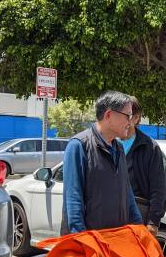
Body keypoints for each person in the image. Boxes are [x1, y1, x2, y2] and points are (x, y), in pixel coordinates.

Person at [61, 90, 143, 234]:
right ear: (109, 115)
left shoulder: (118, 148)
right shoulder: (79, 146)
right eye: (127, 116)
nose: (130, 122)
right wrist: (84, 243)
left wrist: (139, 229)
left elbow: (127, 194)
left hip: (116, 242)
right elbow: (73, 202)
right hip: (90, 247)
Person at [118, 95, 166, 237]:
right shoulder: (107, 142)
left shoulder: (149, 147)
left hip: (138, 216)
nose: (123, 120)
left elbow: (158, 188)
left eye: (128, 115)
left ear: (137, 118)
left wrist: (153, 222)